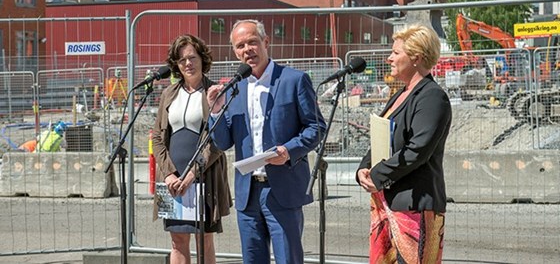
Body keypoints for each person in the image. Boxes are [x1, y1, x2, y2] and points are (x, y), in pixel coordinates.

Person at [206, 19, 327, 264]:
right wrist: (216, 111)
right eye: (240, 45)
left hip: (282, 188)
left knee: (288, 259)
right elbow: (223, 143)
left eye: (252, 42)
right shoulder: (233, 89)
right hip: (247, 193)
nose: (247, 49)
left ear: (266, 42)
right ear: (235, 51)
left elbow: (316, 127)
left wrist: (289, 150)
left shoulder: (294, 80)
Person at [355, 25, 452, 264]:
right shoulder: (400, 95)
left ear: (416, 57)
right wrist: (362, 169)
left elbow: (418, 150)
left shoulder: (432, 97)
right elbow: (381, 137)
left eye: (396, 53)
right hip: (386, 203)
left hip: (414, 205)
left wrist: (378, 174)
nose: (389, 58)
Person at [152, 34, 232, 264]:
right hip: (172, 179)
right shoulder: (169, 94)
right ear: (176, 65)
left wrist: (191, 174)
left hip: (204, 175)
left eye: (192, 57)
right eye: (181, 59)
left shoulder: (214, 91)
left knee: (203, 240)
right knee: (177, 240)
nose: (187, 63)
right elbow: (157, 135)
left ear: (202, 59)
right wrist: (168, 173)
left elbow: (218, 140)